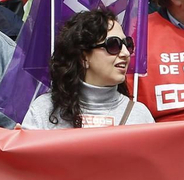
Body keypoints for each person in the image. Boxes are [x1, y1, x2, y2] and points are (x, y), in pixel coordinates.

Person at [22, 8, 153, 130]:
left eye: (127, 44)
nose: (126, 53)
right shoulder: (43, 110)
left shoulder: (140, 116)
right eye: (113, 45)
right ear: (83, 57)